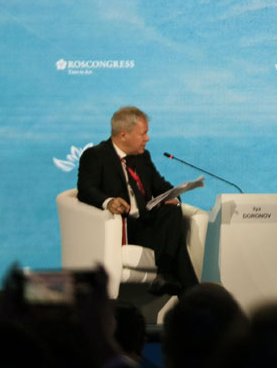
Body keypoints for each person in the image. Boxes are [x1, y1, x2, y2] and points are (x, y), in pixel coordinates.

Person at [76, 106, 199, 296]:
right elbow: (86, 189)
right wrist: (108, 201)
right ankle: (191, 294)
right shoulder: (96, 155)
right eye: (143, 134)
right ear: (123, 135)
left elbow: (162, 186)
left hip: (147, 225)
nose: (147, 139)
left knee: (172, 210)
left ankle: (169, 278)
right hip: (124, 228)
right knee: (177, 248)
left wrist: (173, 197)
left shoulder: (143, 157)